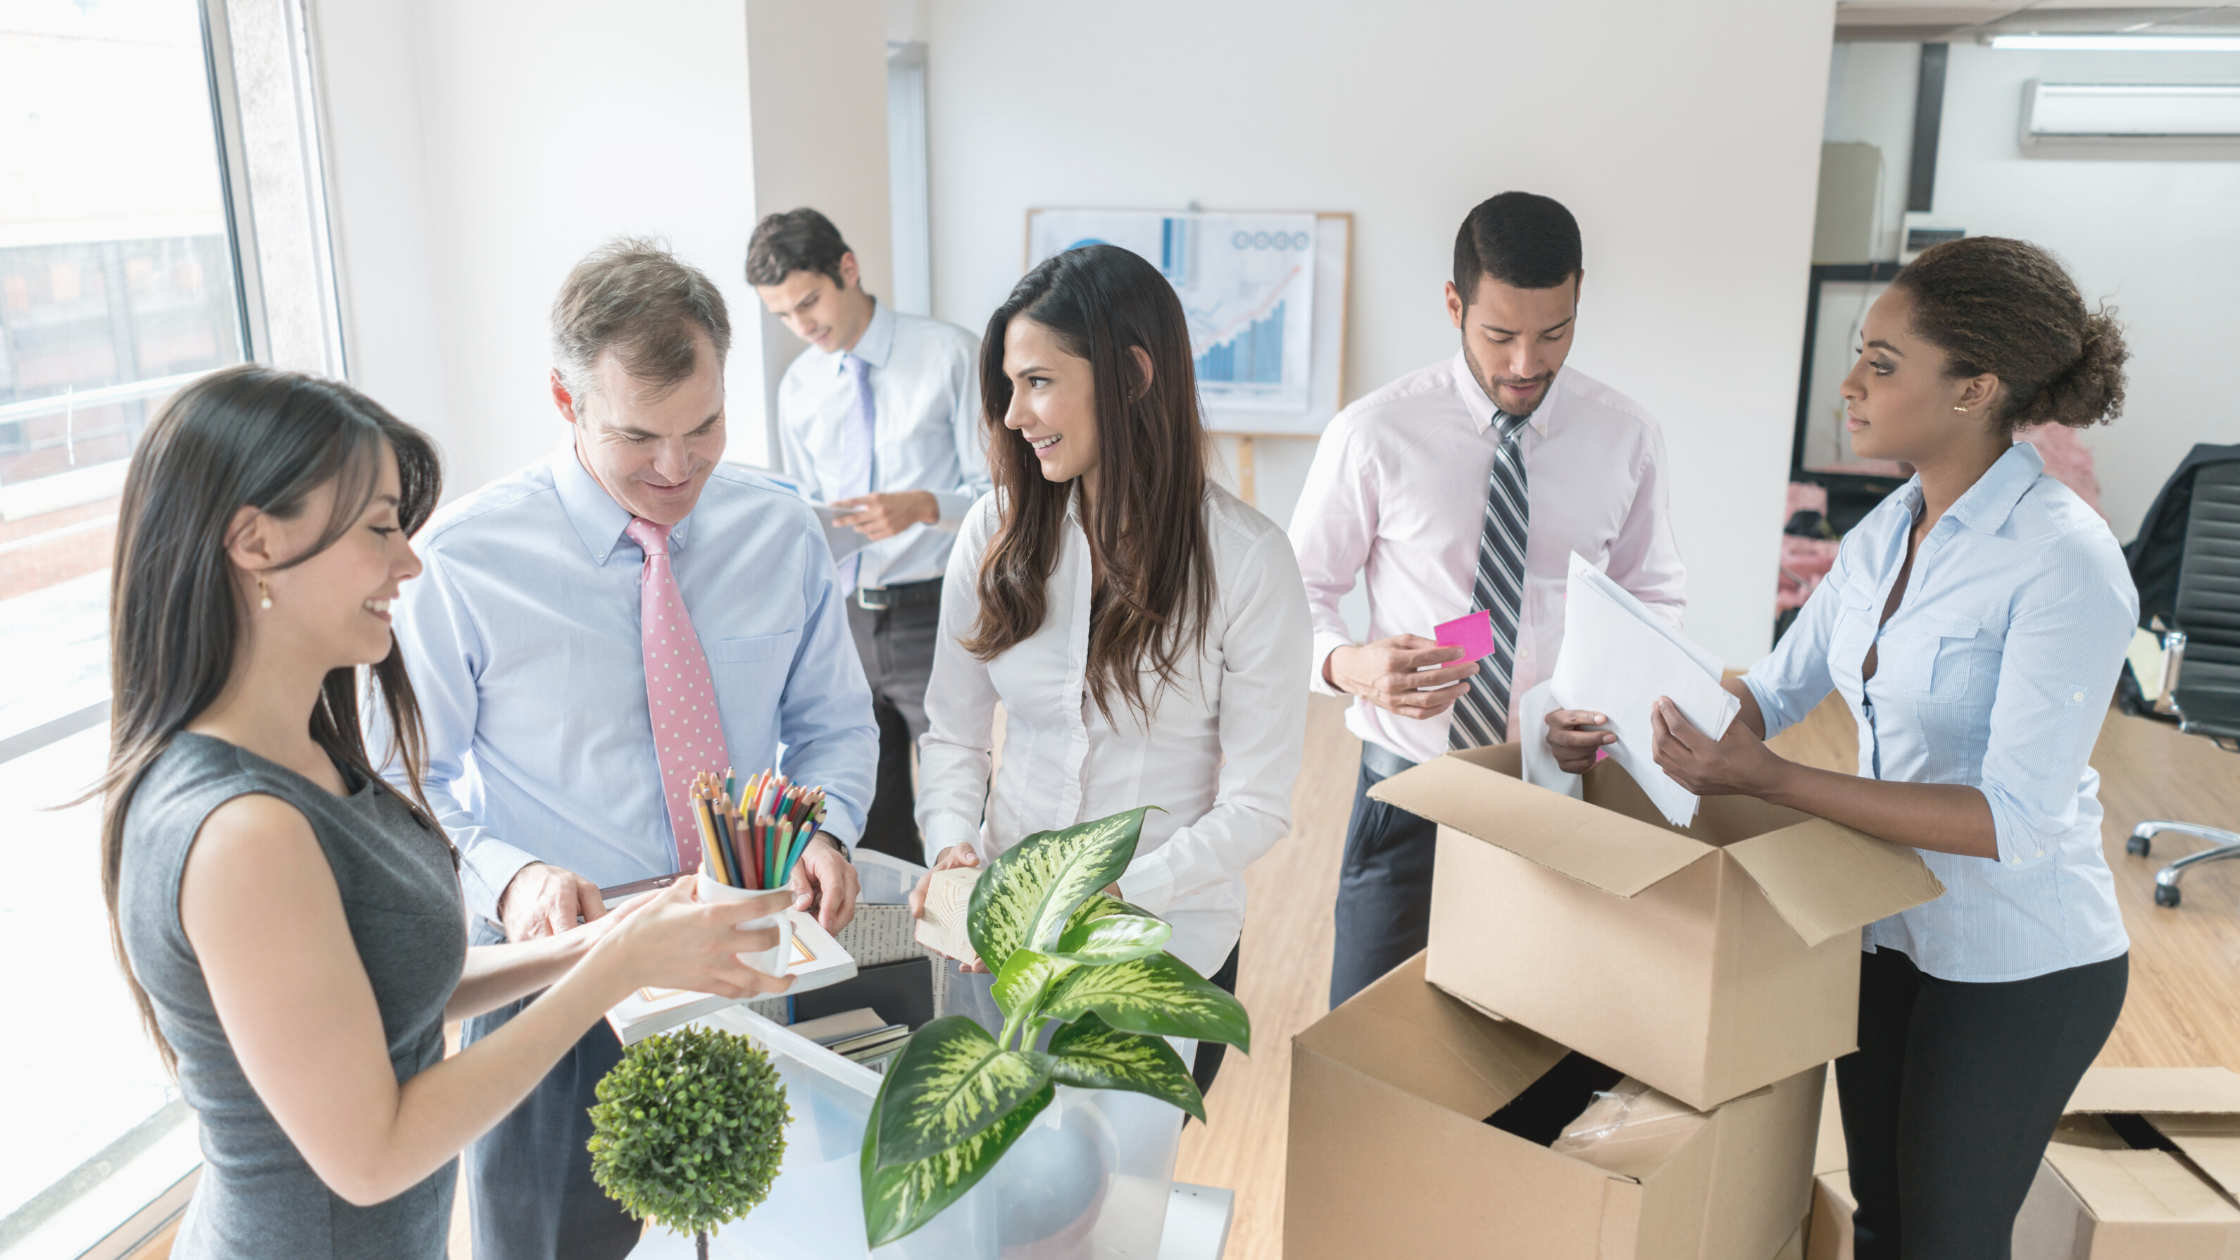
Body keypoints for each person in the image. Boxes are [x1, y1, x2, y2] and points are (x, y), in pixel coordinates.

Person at [102, 366, 790, 1260]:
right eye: (380, 527)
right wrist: (613, 968)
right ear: (255, 542)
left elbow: (383, 992)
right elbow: (372, 1156)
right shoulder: (242, 832)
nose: (410, 562)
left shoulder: (305, 751)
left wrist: (609, 936)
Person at [381, 240, 876, 1260]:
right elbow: (401, 786)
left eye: (704, 428)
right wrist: (510, 878)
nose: (676, 468)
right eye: (638, 437)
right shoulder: (461, 562)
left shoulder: (778, 531)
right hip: (562, 975)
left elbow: (832, 724)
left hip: (750, 952)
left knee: (784, 1236)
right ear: (565, 404)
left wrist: (821, 830)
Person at [1650, 236, 2134, 1260]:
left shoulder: (2063, 561)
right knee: (1882, 1226)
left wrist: (1774, 780)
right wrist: (1638, 702)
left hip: (2018, 962)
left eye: (1880, 362)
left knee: (1948, 1241)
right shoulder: (1883, 532)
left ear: (1974, 389)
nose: (1848, 385)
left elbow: (2009, 819)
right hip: (1885, 934)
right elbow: (1773, 692)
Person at [907, 244, 1311, 1096]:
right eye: (1008, 387)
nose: (1014, 414)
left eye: (1039, 381)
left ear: (1130, 375)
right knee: (1007, 1205)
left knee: (1113, 1211)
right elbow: (953, 731)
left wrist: (1114, 895)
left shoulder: (1244, 561)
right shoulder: (994, 533)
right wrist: (953, 852)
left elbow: (1258, 804)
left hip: (1157, 948)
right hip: (999, 942)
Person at [1288, 192, 1686, 1007]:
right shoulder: (1374, 434)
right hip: (1410, 788)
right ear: (1453, 304)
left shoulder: (1626, 437)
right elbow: (1298, 594)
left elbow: (1653, 593)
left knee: (1532, 1045)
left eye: (1554, 333)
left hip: (1559, 791)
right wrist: (1345, 662)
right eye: (1499, 334)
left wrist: (1612, 704)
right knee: (1370, 1040)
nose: (1524, 365)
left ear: (1580, 296)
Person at [752, 208, 990, 863]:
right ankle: (901, 960)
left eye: (809, 301)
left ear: (848, 270)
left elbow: (1008, 502)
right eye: (782, 315)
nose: (802, 326)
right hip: (845, 619)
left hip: (937, 612)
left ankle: (987, 953)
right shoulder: (798, 386)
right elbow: (803, 509)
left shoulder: (950, 354)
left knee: (963, 801)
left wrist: (922, 506)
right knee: (866, 811)